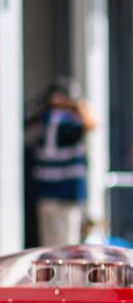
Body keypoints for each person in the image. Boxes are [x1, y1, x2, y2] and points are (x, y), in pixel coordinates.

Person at [30, 78, 97, 246]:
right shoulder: (66, 121)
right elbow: (92, 123)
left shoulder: (45, 118)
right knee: (67, 247)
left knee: (49, 247)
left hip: (46, 192)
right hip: (65, 194)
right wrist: (80, 105)